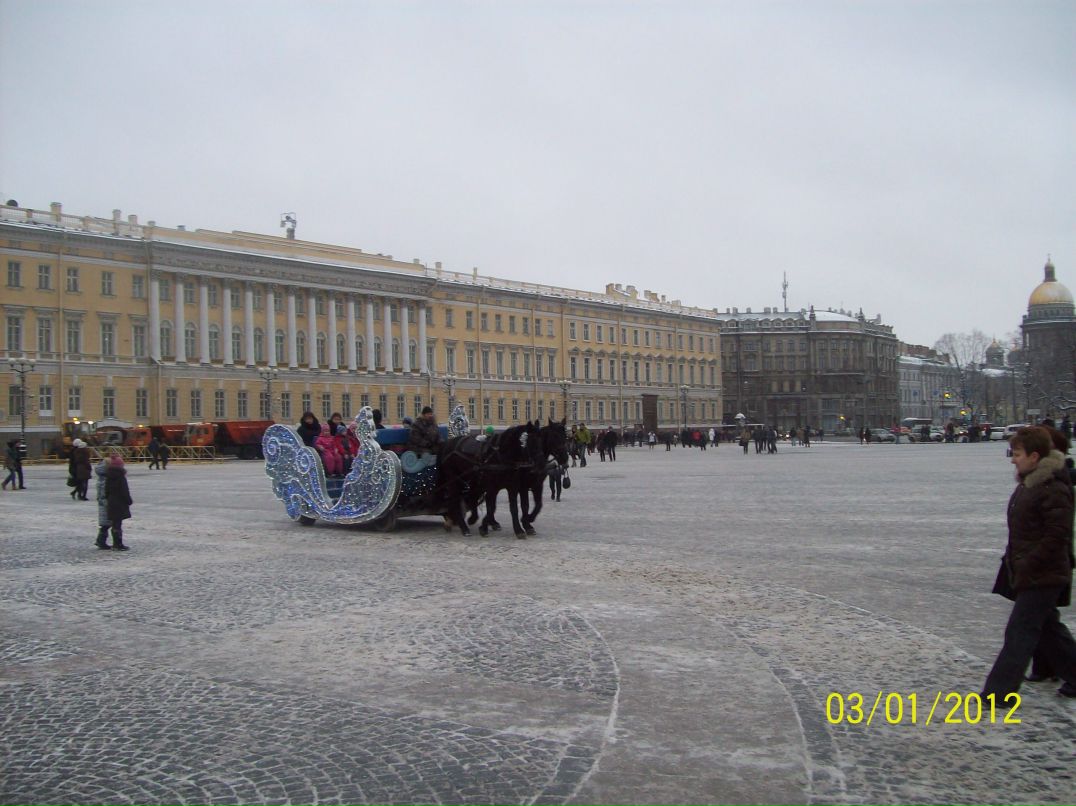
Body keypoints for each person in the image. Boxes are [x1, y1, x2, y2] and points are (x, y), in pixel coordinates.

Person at [982, 427, 1076, 699]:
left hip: (1043, 573)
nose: (1013, 459)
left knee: (1020, 632)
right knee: (1048, 629)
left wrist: (1029, 562)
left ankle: (998, 692)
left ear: (1034, 456)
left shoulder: (1051, 487)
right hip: (1031, 570)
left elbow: (1057, 535)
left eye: (1018, 454)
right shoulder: (1032, 482)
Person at [102, 454, 133, 551]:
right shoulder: (121, 477)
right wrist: (129, 501)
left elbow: (106, 491)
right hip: (120, 502)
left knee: (115, 523)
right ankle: (118, 543)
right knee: (118, 524)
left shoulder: (108, 476)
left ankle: (116, 543)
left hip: (112, 501)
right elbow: (124, 491)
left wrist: (109, 498)